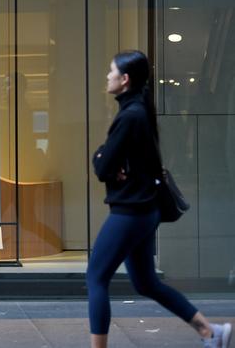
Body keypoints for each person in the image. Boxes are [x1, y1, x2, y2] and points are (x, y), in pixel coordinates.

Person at [87, 50, 232, 348]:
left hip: (130, 212)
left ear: (124, 79)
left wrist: (103, 157)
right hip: (144, 209)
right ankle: (210, 331)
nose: (107, 76)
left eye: (111, 71)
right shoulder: (139, 110)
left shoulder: (130, 116)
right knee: (146, 282)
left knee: (96, 278)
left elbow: (102, 166)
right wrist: (110, 160)